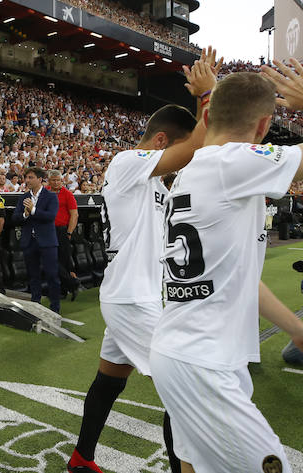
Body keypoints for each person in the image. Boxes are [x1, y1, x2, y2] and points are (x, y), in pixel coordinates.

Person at [150, 59, 303, 473]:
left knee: (194, 465)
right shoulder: (236, 162)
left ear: (209, 114)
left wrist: (298, 333)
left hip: (188, 351)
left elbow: (239, 280)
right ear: (263, 127)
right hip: (204, 358)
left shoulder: (192, 170)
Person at [66, 94, 206, 472]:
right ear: (161, 141)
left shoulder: (156, 183)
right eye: (177, 149)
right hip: (131, 297)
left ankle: (81, 458)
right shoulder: (128, 161)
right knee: (187, 391)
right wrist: (208, 96)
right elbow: (195, 148)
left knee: (110, 380)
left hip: (139, 293)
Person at [12, 167, 61, 313]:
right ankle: (35, 305)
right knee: (33, 276)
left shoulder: (51, 196)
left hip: (47, 243)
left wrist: (33, 211)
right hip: (29, 242)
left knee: (52, 275)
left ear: (40, 179)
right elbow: (15, 218)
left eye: (31, 177)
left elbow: (51, 216)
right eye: (26, 177)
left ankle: (55, 308)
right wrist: (26, 215)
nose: (27, 180)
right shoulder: (23, 197)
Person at [46, 170, 80, 300]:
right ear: (49, 181)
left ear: (62, 181)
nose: (56, 182)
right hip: (48, 230)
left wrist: (69, 232)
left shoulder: (67, 194)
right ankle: (72, 283)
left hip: (62, 230)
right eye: (53, 180)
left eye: (58, 180)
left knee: (63, 260)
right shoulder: (45, 192)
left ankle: (63, 291)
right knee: (51, 260)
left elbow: (74, 214)